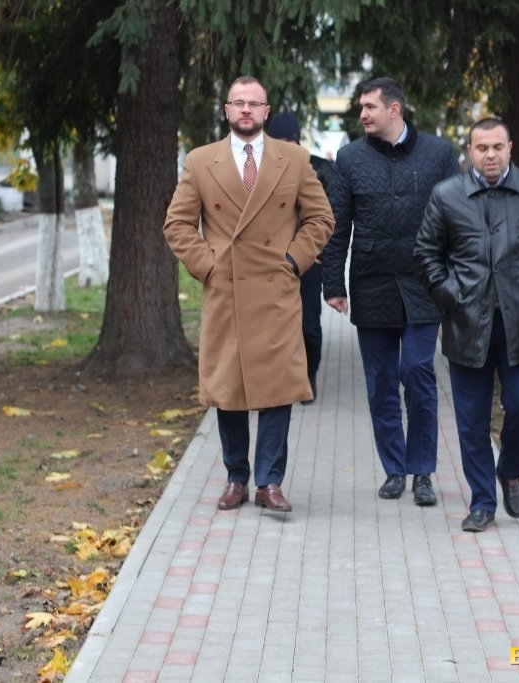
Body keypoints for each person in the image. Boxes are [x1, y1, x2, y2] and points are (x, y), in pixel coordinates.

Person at [164, 76, 335, 514]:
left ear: (266, 111)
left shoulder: (293, 159)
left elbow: (321, 218)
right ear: (226, 110)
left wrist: (294, 261)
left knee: (278, 388)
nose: (245, 109)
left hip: (277, 291)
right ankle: (236, 478)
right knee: (229, 388)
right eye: (237, 102)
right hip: (227, 291)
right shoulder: (201, 161)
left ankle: (270, 482)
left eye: (253, 103)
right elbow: (177, 224)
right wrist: (208, 267)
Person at [414, 118, 519, 532]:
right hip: (467, 327)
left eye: (497, 147)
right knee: (471, 420)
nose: (490, 155)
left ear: (510, 148)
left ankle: (511, 469)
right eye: (482, 147)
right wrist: (451, 298)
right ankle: (483, 503)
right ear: (469, 151)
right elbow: (426, 254)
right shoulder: (447, 194)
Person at [320, 76, 460, 505]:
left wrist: (455, 280)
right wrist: (333, 284)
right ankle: (394, 470)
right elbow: (337, 225)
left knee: (417, 372)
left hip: (424, 284)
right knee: (381, 382)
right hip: (372, 282)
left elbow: (458, 220)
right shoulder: (350, 158)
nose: (362, 114)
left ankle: (423, 472)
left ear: (394, 109)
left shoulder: (439, 154)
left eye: (369, 107)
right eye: (361, 107)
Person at [266, 111, 335, 404]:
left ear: (298, 140)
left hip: (308, 261)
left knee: (309, 327)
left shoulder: (319, 169)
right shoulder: (260, 170)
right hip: (270, 261)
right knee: (273, 325)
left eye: (289, 140)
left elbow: (332, 216)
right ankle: (278, 379)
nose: (285, 146)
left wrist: (321, 255)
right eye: (278, 140)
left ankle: (308, 374)